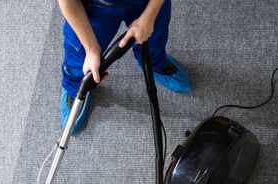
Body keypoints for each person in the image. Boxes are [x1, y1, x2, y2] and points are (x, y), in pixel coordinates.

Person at [58, 0, 191, 134]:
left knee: (153, 38)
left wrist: (149, 15)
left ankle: (155, 62)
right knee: (79, 58)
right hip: (93, 5)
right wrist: (91, 48)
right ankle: (76, 85)